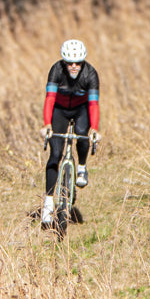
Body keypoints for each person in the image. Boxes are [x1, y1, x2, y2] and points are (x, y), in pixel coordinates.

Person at [41, 38, 101, 227]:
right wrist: (47, 124)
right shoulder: (56, 70)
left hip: (81, 109)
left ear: (83, 62)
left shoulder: (91, 74)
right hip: (60, 110)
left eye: (78, 63)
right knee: (55, 154)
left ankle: (81, 166)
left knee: (83, 134)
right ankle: (49, 202)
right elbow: (50, 98)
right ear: (64, 62)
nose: (74, 67)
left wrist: (95, 129)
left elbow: (93, 104)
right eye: (69, 63)